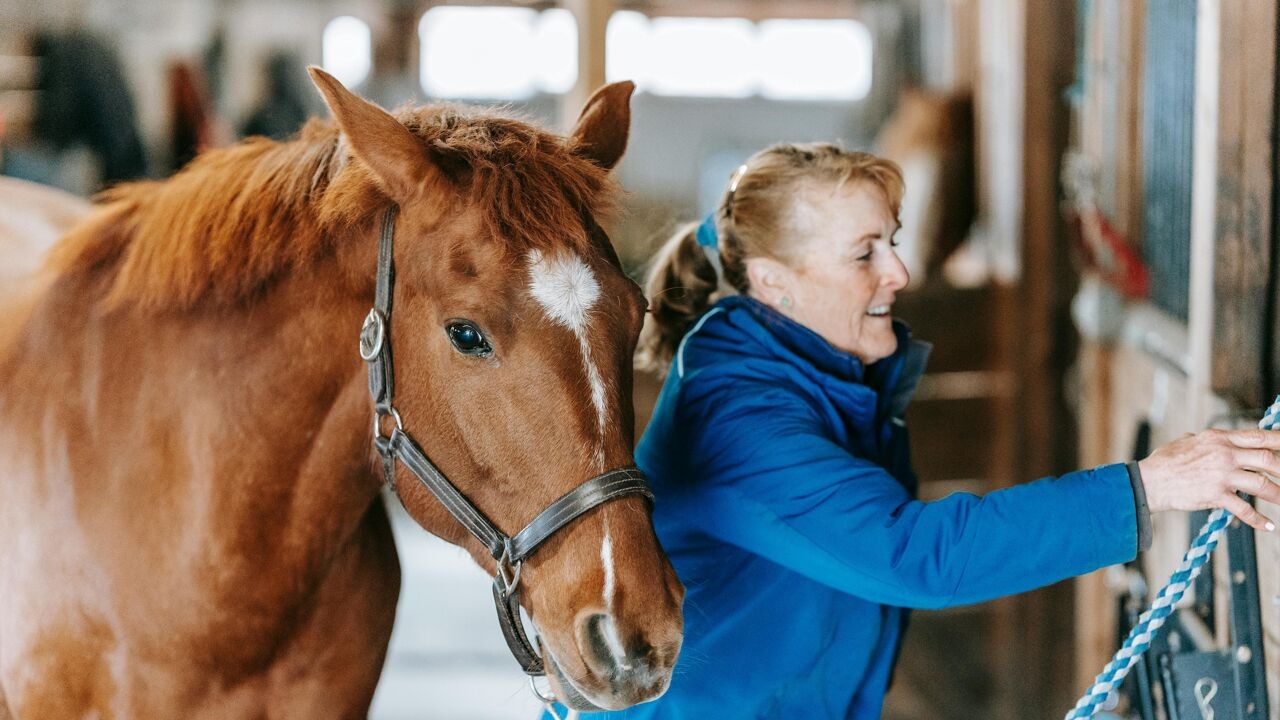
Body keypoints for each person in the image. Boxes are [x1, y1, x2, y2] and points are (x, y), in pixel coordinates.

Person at [546, 143, 1280, 719]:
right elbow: (912, 555)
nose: (899, 272)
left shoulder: (825, 375)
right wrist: (1152, 485)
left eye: (891, 241)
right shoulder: (737, 415)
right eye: (865, 253)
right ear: (775, 284)